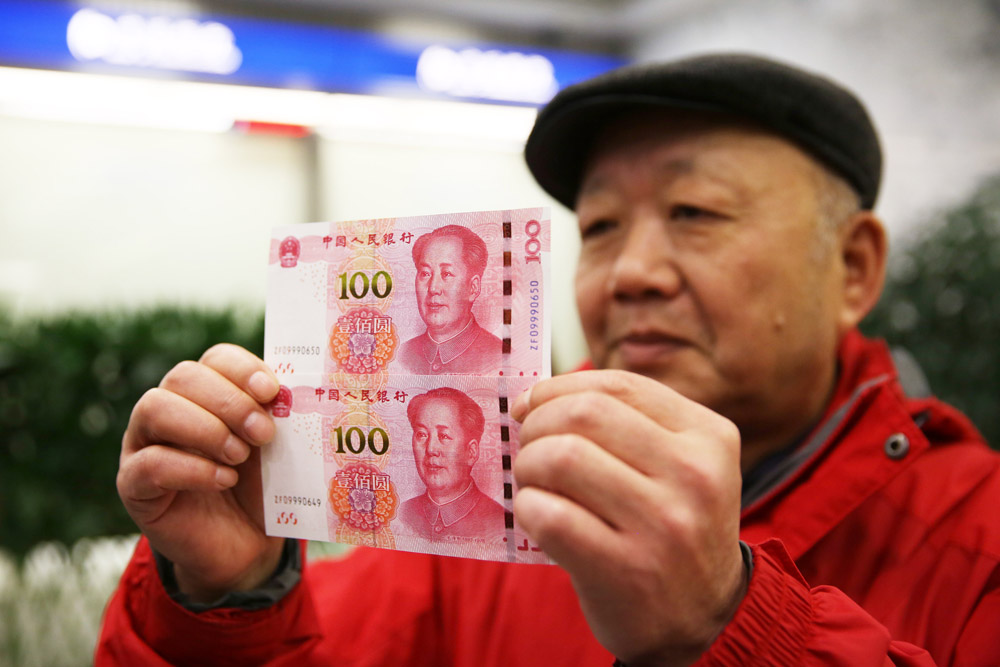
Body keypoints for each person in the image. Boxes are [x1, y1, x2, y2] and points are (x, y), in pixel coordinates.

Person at [96, 54, 1000, 666]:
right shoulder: (484, 512)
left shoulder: (977, 538)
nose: (631, 272)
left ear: (854, 267)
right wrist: (230, 594)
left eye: (696, 213)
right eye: (600, 226)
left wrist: (726, 623)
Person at [397, 387, 506, 538]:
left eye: (444, 436)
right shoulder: (400, 515)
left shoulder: (499, 523)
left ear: (471, 452)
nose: (431, 449)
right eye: (422, 434)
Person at [398, 224, 503, 374]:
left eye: (446, 274)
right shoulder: (401, 355)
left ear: (473, 287)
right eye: (425, 273)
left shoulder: (500, 358)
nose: (433, 288)